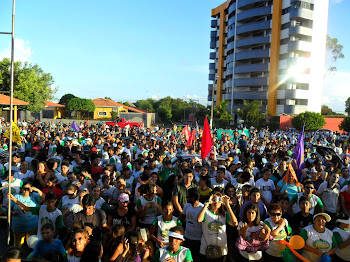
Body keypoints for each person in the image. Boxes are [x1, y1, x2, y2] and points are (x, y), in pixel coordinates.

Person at [197, 192, 238, 262]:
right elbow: (199, 219)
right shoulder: (206, 212)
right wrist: (207, 204)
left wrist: (227, 205)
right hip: (206, 249)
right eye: (214, 199)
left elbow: (235, 223)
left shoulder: (224, 214)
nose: (216, 202)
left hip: (221, 250)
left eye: (219, 199)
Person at [10, 181, 44, 247]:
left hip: (32, 226)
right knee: (17, 246)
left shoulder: (34, 195)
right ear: (21, 189)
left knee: (32, 246)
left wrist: (37, 190)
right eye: (24, 189)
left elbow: (44, 199)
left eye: (28, 189)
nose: (26, 191)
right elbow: (8, 209)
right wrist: (12, 212)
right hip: (18, 227)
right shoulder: (16, 197)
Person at [179, 188, 203, 262]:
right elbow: (182, 217)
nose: (186, 198)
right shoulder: (187, 205)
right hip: (187, 237)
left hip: (197, 239)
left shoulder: (201, 208)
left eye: (187, 197)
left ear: (193, 198)